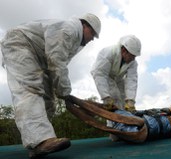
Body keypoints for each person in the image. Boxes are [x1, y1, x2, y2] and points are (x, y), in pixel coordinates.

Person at [1, 13, 101, 158]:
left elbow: (55, 64)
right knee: (30, 89)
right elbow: (57, 62)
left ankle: (38, 140)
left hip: (38, 55)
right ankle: (39, 140)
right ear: (85, 25)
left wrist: (59, 91)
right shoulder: (70, 29)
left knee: (49, 98)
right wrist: (65, 92)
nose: (92, 39)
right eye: (92, 34)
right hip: (20, 44)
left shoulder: (73, 38)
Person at [91, 35, 141, 112]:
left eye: (135, 56)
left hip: (118, 79)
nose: (133, 59)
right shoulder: (108, 53)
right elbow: (100, 74)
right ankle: (113, 123)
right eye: (132, 56)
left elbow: (131, 80)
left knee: (124, 99)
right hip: (106, 76)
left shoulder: (133, 62)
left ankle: (126, 120)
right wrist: (106, 97)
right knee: (114, 98)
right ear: (124, 50)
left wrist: (130, 100)